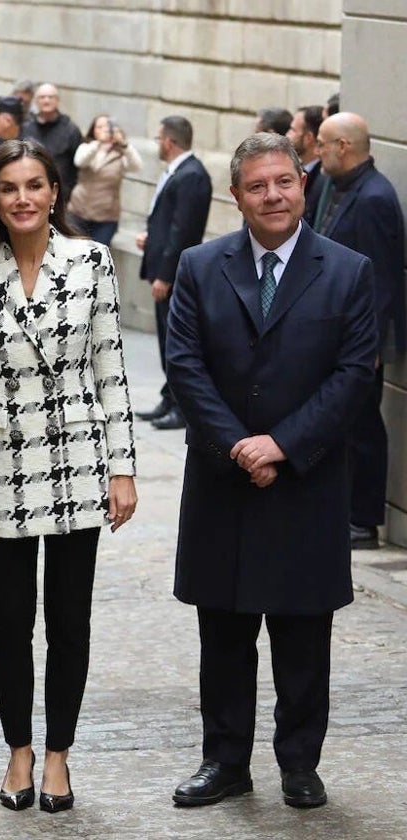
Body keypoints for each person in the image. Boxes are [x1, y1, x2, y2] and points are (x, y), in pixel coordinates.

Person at [165, 132, 376, 811]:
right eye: (257, 186)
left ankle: (299, 764)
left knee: (303, 635)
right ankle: (225, 761)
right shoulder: (200, 265)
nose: (273, 195)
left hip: (306, 483)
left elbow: (353, 376)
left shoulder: (347, 271)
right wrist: (238, 446)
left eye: (283, 182)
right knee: (223, 633)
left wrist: (280, 445)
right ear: (237, 196)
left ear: (302, 185)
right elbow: (185, 365)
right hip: (224, 482)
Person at [0, 139, 137, 815]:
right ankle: (17, 749)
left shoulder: (91, 262)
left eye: (34, 185)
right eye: (9, 188)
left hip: (79, 458)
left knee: (70, 620)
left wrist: (123, 469)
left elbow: (110, 370)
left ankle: (58, 755)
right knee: (8, 621)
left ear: (56, 191)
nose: (23, 198)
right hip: (2, 465)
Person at [315, 112, 407, 550]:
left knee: (363, 427)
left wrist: (367, 343)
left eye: (322, 143)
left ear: (344, 147)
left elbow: (382, 279)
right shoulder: (345, 187)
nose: (317, 151)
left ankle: (364, 520)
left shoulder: (372, 197)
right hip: (342, 335)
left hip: (361, 340)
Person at [135, 115, 212, 431]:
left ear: (169, 140)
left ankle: (181, 408)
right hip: (162, 270)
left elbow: (183, 230)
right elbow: (168, 223)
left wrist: (165, 275)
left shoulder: (192, 175)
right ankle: (168, 398)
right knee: (166, 341)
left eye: (157, 139)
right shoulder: (178, 172)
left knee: (176, 344)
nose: (157, 145)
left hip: (174, 276)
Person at [67, 114, 142, 246]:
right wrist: (98, 143)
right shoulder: (87, 147)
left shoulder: (120, 153)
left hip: (105, 217)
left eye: (108, 126)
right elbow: (80, 161)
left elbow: (136, 166)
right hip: (78, 212)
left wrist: (124, 145)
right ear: (93, 130)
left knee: (97, 257)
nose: (104, 129)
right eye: (99, 126)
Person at [21, 84, 82, 210]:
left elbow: (78, 167)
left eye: (50, 97)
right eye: (42, 97)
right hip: (30, 196)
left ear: (57, 100)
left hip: (61, 198)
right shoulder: (26, 128)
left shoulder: (70, 130)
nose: (46, 100)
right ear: (36, 101)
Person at [286, 105, 325, 227]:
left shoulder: (323, 179)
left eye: (292, 130)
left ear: (308, 138)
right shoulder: (300, 169)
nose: (287, 135)